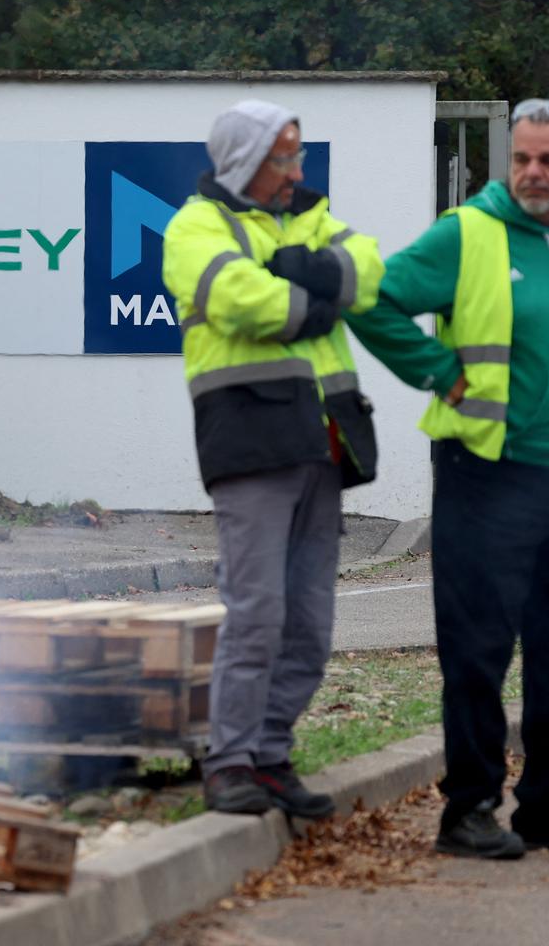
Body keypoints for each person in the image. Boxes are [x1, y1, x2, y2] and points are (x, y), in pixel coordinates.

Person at [345, 98, 549, 858]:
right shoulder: (468, 234)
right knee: (478, 650)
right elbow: (373, 299)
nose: (533, 173)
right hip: (490, 475)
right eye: (521, 159)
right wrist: (440, 374)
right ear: (505, 162)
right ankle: (468, 809)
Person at [161, 100, 384, 818]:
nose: (296, 170)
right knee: (256, 614)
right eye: (283, 158)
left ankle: (270, 755)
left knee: (310, 625)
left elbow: (369, 266)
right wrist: (314, 297)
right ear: (245, 163)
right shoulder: (194, 226)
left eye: (299, 155)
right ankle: (229, 762)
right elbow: (237, 300)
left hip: (323, 445)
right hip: (251, 441)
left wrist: (313, 268)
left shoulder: (310, 216)